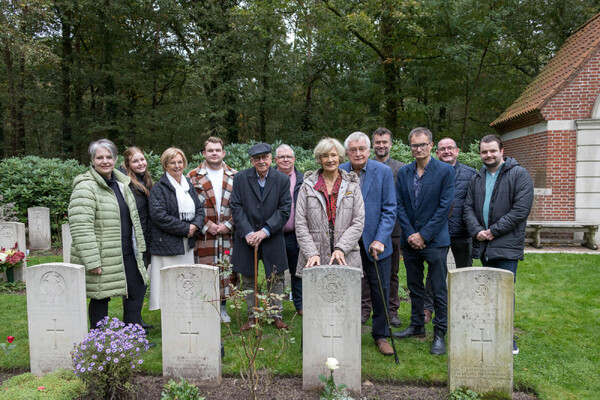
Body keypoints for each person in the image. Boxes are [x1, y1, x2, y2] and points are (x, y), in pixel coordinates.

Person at [463, 134, 534, 355]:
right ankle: (488, 332)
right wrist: (477, 231)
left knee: (504, 294)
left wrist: (493, 231)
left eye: (492, 151)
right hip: (484, 243)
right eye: (484, 152)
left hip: (506, 244)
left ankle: (506, 338)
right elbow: (468, 208)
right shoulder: (478, 177)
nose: (488, 155)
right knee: (487, 293)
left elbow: (520, 210)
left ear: (502, 151)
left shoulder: (519, 175)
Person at [69, 139, 148, 330]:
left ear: (115, 159)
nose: (105, 161)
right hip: (102, 255)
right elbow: (81, 226)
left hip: (127, 251)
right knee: (100, 296)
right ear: (92, 160)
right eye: (100, 157)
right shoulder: (85, 187)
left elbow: (132, 219)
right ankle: (99, 340)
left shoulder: (122, 183)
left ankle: (131, 334)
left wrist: (141, 248)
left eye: (109, 157)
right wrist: (92, 260)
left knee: (136, 290)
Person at [393, 127, 455, 356]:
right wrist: (411, 234)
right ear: (410, 147)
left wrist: (424, 235)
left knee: (438, 288)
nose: (418, 149)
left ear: (431, 145)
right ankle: (417, 325)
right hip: (410, 241)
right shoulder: (404, 172)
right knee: (414, 286)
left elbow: (444, 207)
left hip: (436, 241)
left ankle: (440, 333)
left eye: (422, 144)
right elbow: (399, 205)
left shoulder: (445, 172)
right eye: (414, 145)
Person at [340, 132, 396, 356]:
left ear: (369, 150)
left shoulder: (383, 172)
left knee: (380, 289)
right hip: (346, 244)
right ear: (347, 152)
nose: (357, 153)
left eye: (361, 149)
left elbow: (390, 208)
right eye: (353, 150)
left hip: (376, 243)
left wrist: (380, 239)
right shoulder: (339, 170)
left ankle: (380, 334)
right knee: (345, 289)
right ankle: (344, 331)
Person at [230, 143, 292, 331]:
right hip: (247, 237)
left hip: (271, 236)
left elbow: (284, 209)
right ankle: (253, 315)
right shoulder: (240, 178)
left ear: (271, 159)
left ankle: (276, 314)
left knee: (276, 277)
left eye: (265, 157)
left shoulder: (281, 179)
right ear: (252, 161)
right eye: (257, 158)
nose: (261, 161)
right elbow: (236, 206)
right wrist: (248, 232)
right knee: (248, 277)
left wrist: (264, 231)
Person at [422, 137, 477, 323]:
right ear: (436, 152)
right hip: (436, 232)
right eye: (442, 149)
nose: (446, 151)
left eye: (450, 148)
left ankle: (464, 306)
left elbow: (473, 203)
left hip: (461, 232)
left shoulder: (471, 175)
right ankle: (427, 309)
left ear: (457, 151)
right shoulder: (428, 173)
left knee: (464, 271)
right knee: (434, 272)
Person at [295, 137, 365, 277]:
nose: (330, 159)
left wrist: (341, 248)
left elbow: (358, 222)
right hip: (315, 256)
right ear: (319, 159)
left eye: (333, 155)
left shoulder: (352, 186)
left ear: (340, 157)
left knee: (345, 297)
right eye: (325, 156)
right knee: (316, 297)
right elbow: (300, 223)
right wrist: (311, 252)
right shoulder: (307, 186)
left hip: (346, 255)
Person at [187, 137, 237, 323]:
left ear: (223, 153)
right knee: (205, 268)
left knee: (226, 270)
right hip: (204, 233)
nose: (214, 153)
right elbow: (188, 205)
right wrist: (207, 225)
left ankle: (222, 308)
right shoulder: (192, 176)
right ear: (204, 153)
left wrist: (229, 225)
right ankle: (205, 307)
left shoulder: (235, 176)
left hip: (228, 233)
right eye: (210, 150)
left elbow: (241, 205)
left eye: (217, 150)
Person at [148, 147, 204, 311]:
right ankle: (170, 316)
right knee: (169, 286)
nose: (177, 166)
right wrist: (186, 228)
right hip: (166, 245)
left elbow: (199, 210)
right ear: (165, 165)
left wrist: (195, 226)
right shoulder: (159, 188)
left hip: (186, 245)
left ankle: (183, 313)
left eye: (180, 162)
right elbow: (159, 216)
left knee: (184, 284)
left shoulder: (188, 186)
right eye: (172, 162)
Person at [361, 127, 405, 328]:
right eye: (377, 142)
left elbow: (400, 202)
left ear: (391, 144)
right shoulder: (358, 167)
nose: (381, 145)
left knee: (390, 274)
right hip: (363, 229)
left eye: (384, 142)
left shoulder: (399, 169)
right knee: (364, 274)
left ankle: (391, 310)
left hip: (391, 230)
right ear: (372, 146)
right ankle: (365, 308)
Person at [120, 147, 154, 330]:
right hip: (133, 241)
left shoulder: (144, 180)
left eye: (142, 159)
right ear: (127, 165)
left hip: (145, 238)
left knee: (141, 283)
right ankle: (131, 326)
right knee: (135, 284)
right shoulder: (126, 185)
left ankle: (136, 320)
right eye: (135, 161)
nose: (141, 163)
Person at [274, 144, 304, 315]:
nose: (285, 160)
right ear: (275, 160)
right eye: (281, 157)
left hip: (295, 234)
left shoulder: (302, 179)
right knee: (275, 272)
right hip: (274, 234)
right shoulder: (268, 178)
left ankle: (300, 306)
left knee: (297, 271)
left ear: (294, 159)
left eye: (288, 156)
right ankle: (274, 308)